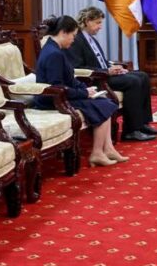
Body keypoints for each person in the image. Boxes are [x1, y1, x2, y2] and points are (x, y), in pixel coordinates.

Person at [35, 15, 125, 167]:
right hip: (53, 100)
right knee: (104, 105)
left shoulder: (55, 48)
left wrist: (85, 88)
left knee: (105, 101)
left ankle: (108, 149)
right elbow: (56, 87)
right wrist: (84, 94)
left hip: (62, 96)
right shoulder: (54, 54)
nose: (74, 40)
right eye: (73, 35)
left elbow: (69, 79)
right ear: (63, 32)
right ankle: (97, 153)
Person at [67, 6, 157, 142]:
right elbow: (78, 67)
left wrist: (113, 67)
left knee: (142, 76)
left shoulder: (90, 38)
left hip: (105, 74)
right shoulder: (77, 40)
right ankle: (131, 131)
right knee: (133, 82)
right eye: (98, 23)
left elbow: (99, 60)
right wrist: (106, 71)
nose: (100, 27)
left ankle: (143, 124)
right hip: (95, 80)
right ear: (87, 21)